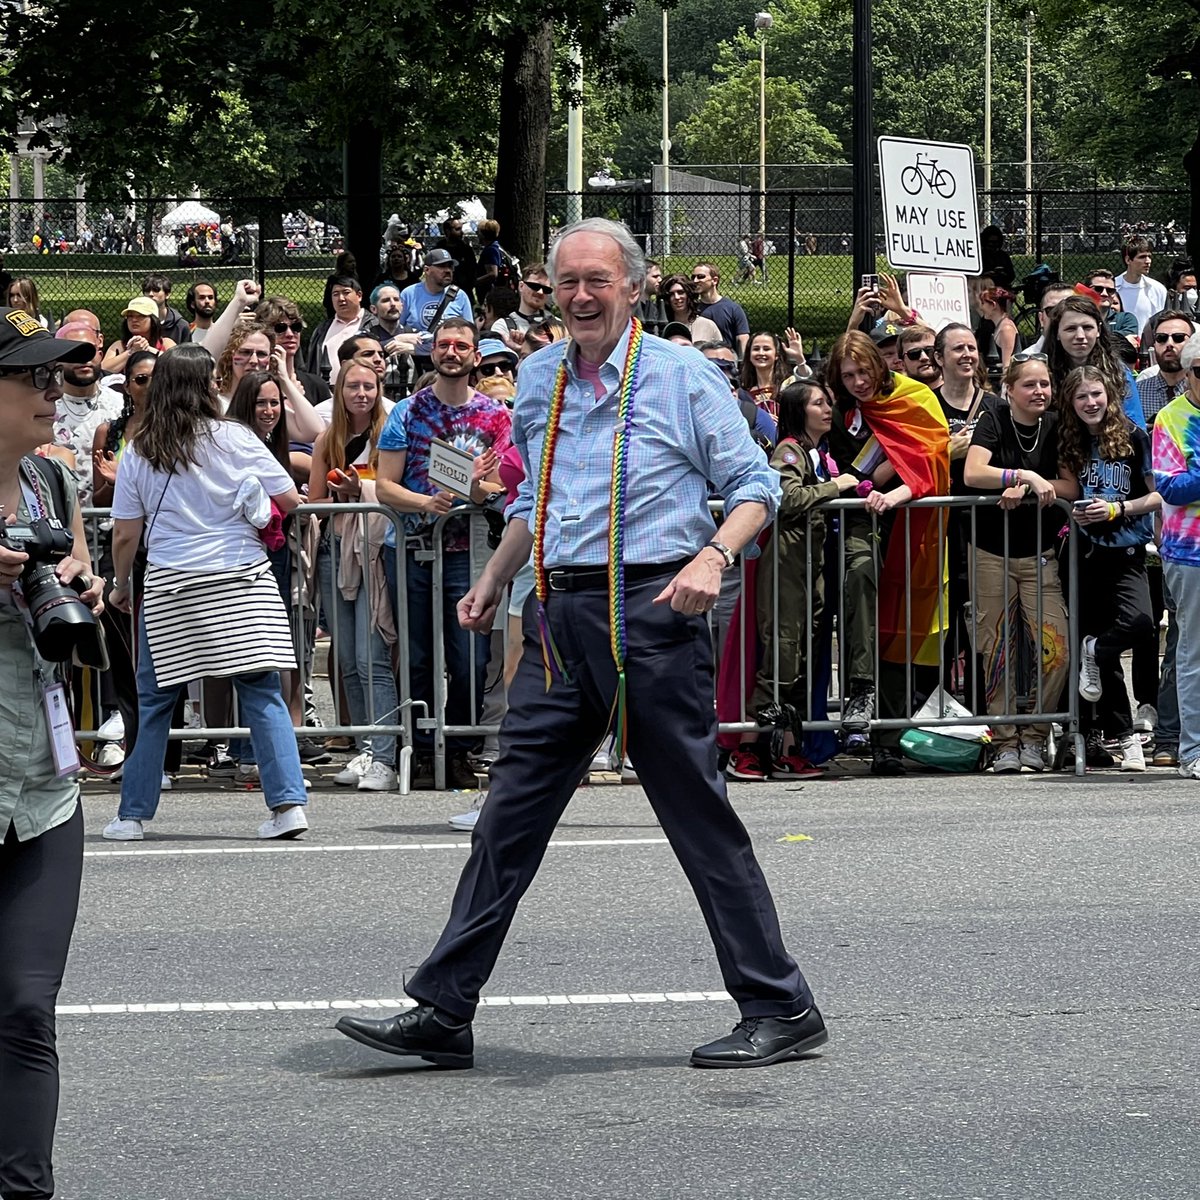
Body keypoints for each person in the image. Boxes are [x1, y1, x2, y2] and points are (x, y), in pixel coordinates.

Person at [335, 217, 827, 1071]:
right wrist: (494, 577)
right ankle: (445, 1008)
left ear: (634, 288)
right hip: (562, 618)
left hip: (653, 610)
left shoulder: (679, 376)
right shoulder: (538, 377)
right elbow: (537, 497)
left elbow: (757, 487)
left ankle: (781, 1005)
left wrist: (715, 555)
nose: (581, 296)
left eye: (598, 280)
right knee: (508, 815)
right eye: (567, 282)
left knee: (696, 817)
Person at [101, 345, 309, 842]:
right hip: (242, 577)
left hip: (172, 581)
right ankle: (288, 806)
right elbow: (286, 497)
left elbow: (126, 533)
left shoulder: (144, 447)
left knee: (154, 702)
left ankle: (132, 814)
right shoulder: (236, 437)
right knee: (262, 694)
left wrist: (121, 584)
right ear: (208, 385)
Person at [0, 308, 106, 1200]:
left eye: (53, 376)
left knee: (28, 1010)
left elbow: (68, 591)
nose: (50, 390)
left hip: (42, 789)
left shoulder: (51, 482)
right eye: (31, 378)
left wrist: (83, 586)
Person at [375, 318, 512, 790]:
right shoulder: (407, 412)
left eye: (461, 345)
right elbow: (384, 486)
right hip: (411, 546)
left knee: (470, 656)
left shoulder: (496, 416)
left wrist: (476, 486)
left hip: (467, 552)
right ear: (431, 352)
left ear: (476, 356)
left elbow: (504, 485)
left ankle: (457, 747)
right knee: (415, 656)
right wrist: (424, 502)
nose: (451, 352)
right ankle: (417, 746)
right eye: (443, 345)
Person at [825, 331, 952, 775]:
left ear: (881, 367)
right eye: (849, 375)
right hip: (859, 522)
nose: (858, 382)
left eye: (863, 372)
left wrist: (897, 491)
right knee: (864, 605)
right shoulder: (840, 410)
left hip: (911, 524)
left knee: (901, 631)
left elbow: (932, 458)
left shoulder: (913, 397)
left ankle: (888, 741)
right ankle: (859, 699)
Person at [726, 379, 858, 781]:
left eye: (827, 402)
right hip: (784, 568)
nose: (827, 408)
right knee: (779, 656)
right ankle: (748, 747)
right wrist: (838, 486)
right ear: (799, 411)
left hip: (808, 568)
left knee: (801, 657)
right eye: (818, 403)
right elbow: (789, 497)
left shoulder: (815, 453)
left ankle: (788, 748)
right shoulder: (788, 451)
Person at [962, 353, 1075, 773]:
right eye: (1029, 385)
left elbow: (1069, 484)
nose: (1039, 392)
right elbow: (975, 473)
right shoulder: (994, 418)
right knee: (996, 650)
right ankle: (1004, 741)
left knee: (1056, 650)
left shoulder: (1057, 426)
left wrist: (1030, 486)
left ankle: (1036, 735)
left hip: (1039, 555)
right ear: (1009, 390)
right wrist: (1021, 477)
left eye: (1044, 384)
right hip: (990, 553)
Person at [1059, 365, 1159, 772]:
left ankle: (1094, 649)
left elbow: (1158, 497)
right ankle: (1125, 737)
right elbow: (1066, 487)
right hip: (1083, 552)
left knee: (1141, 623)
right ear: (1071, 403)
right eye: (1081, 397)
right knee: (1104, 659)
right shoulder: (1069, 440)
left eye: (1096, 394)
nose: (1091, 403)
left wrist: (1119, 507)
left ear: (1111, 394)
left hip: (1128, 549)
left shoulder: (1135, 437)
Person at [308, 362, 399, 792]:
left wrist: (359, 490)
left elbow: (391, 487)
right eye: (353, 386)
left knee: (372, 656)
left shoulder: (389, 432)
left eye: (369, 386)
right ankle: (364, 747)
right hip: (335, 549)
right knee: (346, 657)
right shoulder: (329, 438)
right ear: (339, 390)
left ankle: (385, 753)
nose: (361, 393)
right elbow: (315, 501)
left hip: (374, 549)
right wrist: (341, 493)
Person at [1151, 330, 1200, 779]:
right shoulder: (1170, 418)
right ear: (1188, 372)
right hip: (1190, 553)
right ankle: (1193, 749)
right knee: (1193, 652)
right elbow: (1170, 486)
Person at [1044, 295, 1145, 430]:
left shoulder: (1118, 371)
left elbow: (1135, 426)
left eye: (1087, 327)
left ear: (1098, 330)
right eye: (1070, 329)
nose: (1080, 336)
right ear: (1057, 333)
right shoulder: (1044, 374)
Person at [101, 297, 177, 373]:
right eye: (130, 316)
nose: (134, 320)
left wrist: (148, 349)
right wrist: (131, 351)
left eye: (141, 316)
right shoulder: (119, 345)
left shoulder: (165, 343)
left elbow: (178, 366)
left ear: (153, 320)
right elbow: (103, 369)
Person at [691, 263, 750, 356]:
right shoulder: (692, 308)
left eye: (700, 277)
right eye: (693, 277)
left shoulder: (733, 309)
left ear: (714, 280)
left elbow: (742, 339)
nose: (695, 280)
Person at [1115, 236, 1168, 329]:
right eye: (1142, 257)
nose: (1148, 261)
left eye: (1149, 256)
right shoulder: (1112, 288)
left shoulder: (1158, 289)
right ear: (1128, 260)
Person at [659, 274, 722, 344]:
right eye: (671, 294)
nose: (676, 297)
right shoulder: (661, 327)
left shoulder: (707, 325)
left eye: (681, 292)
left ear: (689, 294)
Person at [739, 331, 788, 418]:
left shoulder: (787, 385)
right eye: (756, 349)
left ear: (776, 354)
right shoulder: (743, 392)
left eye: (766, 349)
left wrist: (799, 360)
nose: (761, 353)